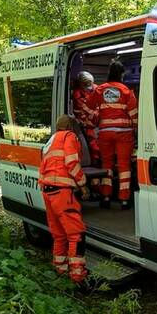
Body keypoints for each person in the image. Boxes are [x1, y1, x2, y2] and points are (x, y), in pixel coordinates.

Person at [38, 115, 90, 283]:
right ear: (70, 126)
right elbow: (71, 163)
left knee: (59, 234)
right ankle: (77, 275)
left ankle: (60, 270)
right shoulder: (70, 137)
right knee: (77, 234)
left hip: (47, 191)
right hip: (62, 193)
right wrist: (83, 184)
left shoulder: (51, 140)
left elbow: (44, 164)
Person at [87, 59, 138, 210]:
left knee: (106, 165)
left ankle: (106, 197)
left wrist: (94, 120)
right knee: (124, 166)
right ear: (121, 74)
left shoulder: (99, 89)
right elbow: (134, 114)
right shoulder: (126, 91)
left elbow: (89, 107)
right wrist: (136, 129)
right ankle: (124, 200)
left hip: (105, 133)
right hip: (124, 134)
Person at [72, 71, 100, 164]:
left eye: (90, 84)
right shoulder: (77, 94)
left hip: (98, 123)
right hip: (87, 125)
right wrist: (94, 116)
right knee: (92, 144)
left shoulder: (96, 89)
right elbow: (84, 109)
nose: (89, 87)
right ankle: (95, 162)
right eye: (86, 84)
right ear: (81, 84)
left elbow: (100, 104)